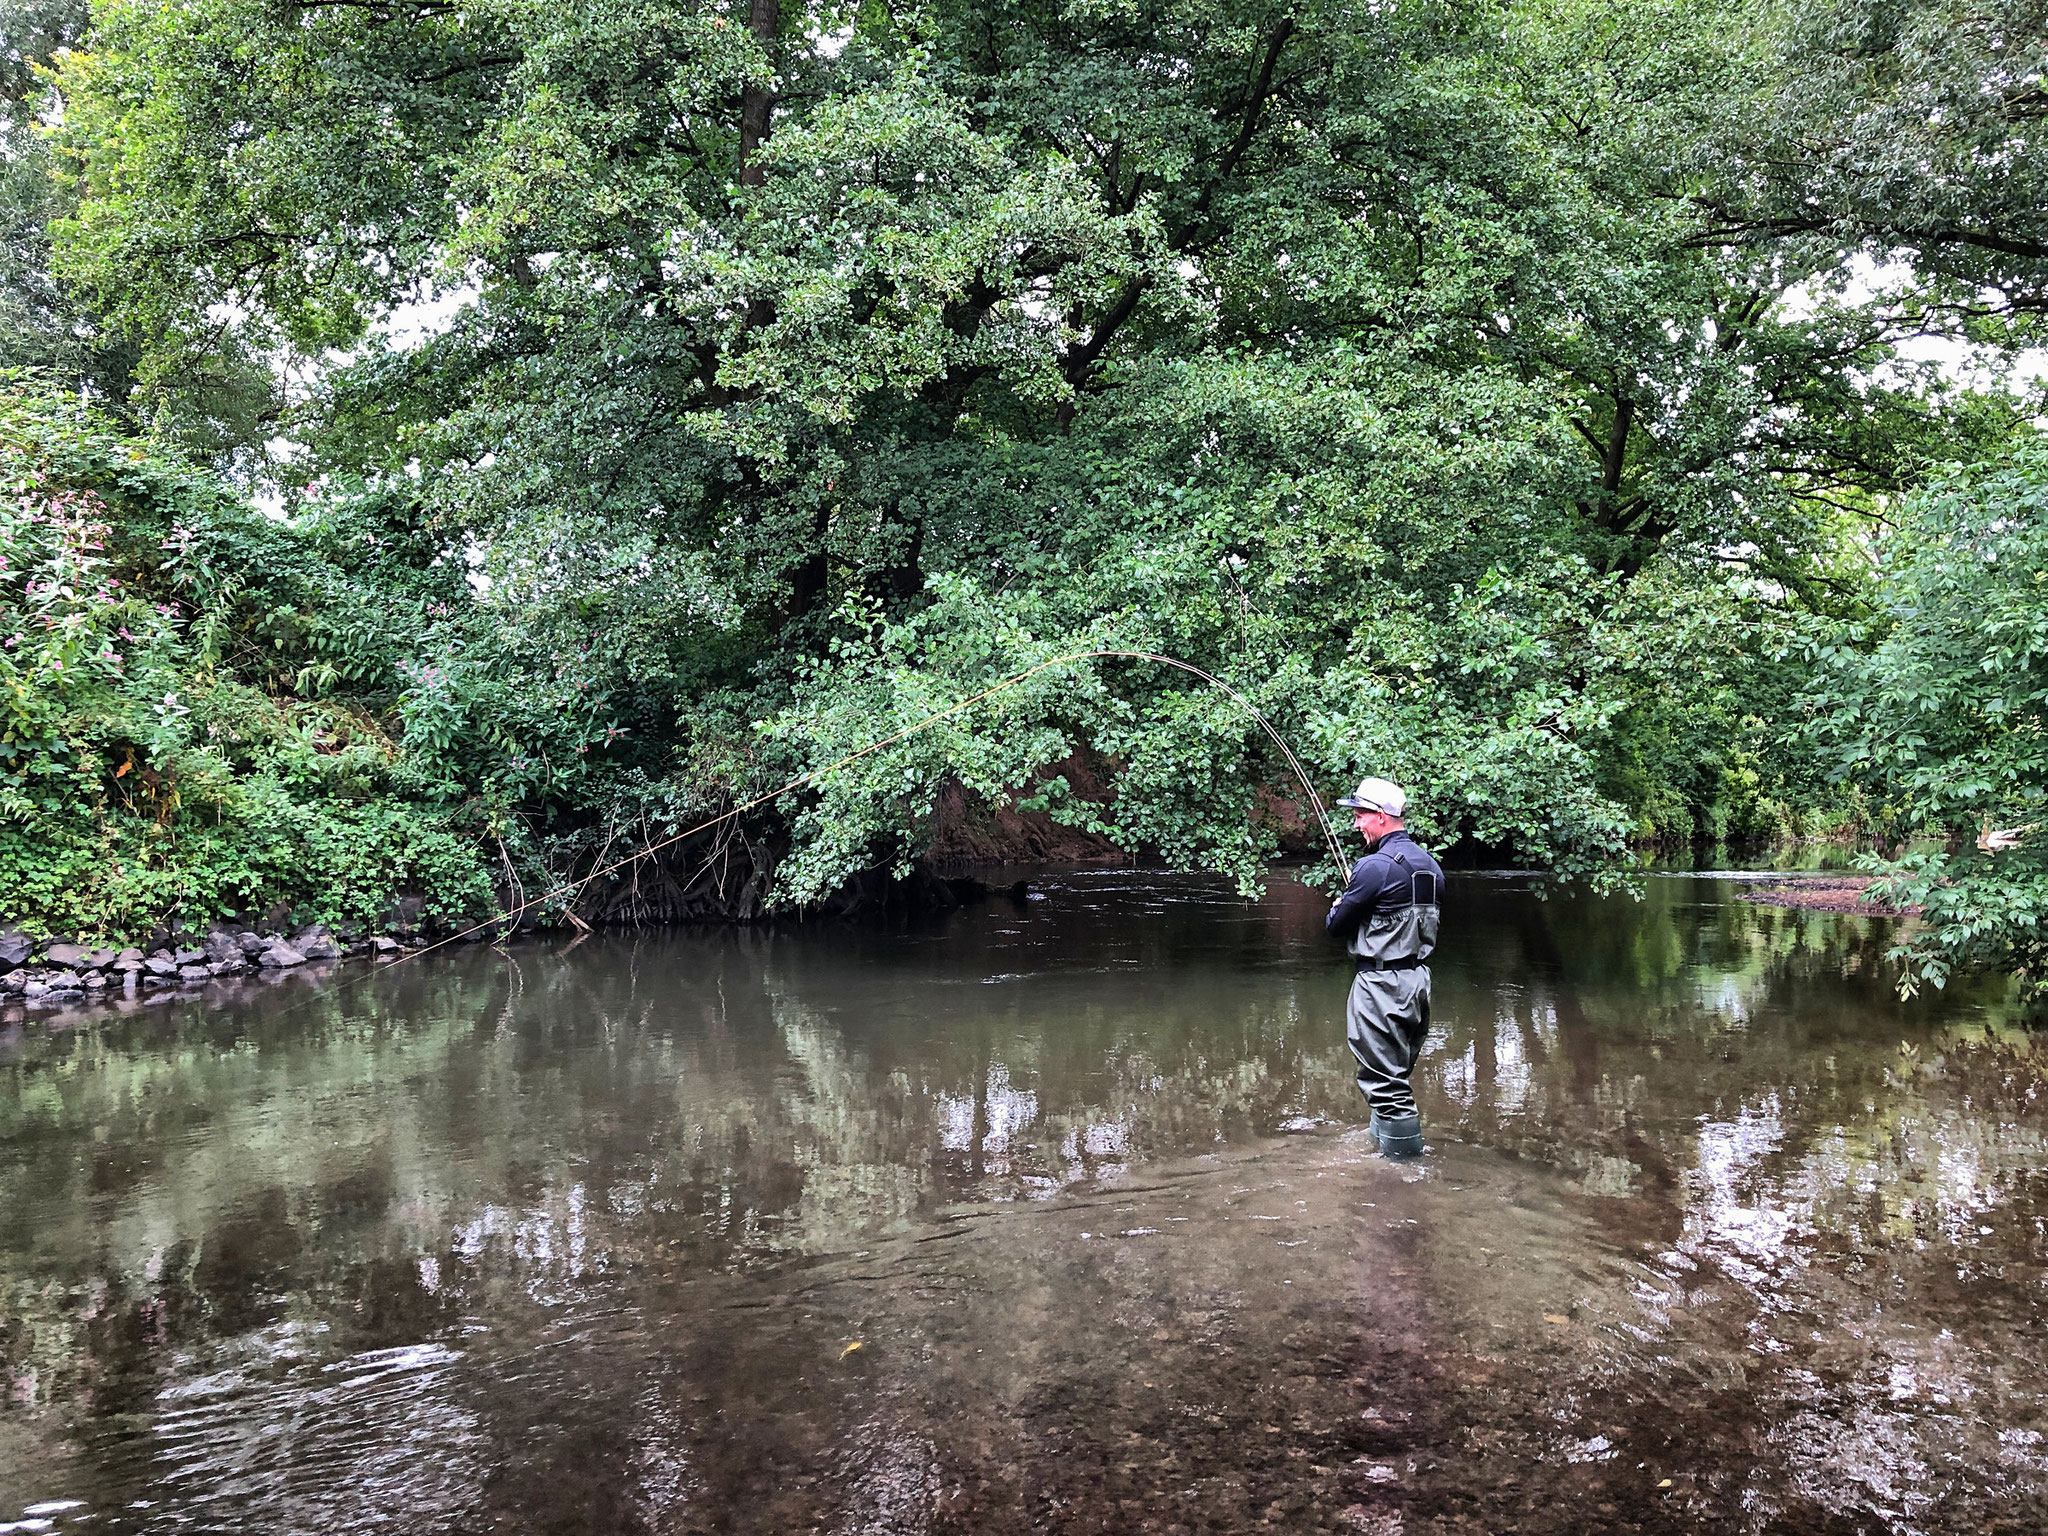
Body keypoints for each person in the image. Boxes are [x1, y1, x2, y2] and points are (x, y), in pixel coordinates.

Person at [1325, 777, 1442, 1158]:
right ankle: (1381, 1151)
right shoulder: (1431, 868)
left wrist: (1338, 905)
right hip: (1417, 983)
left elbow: (1334, 928)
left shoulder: (1374, 867)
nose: (1356, 824)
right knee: (1393, 1076)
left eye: (1360, 815)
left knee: (1386, 1085)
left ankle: (1402, 1175)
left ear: (1380, 816)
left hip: (1380, 985)